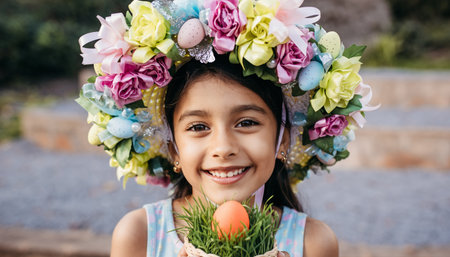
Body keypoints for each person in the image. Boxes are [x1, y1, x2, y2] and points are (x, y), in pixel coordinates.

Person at [77, 0, 376, 256]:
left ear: (282, 141)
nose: (223, 148)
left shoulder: (313, 243)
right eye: (198, 127)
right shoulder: (139, 235)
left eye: (246, 122)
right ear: (173, 150)